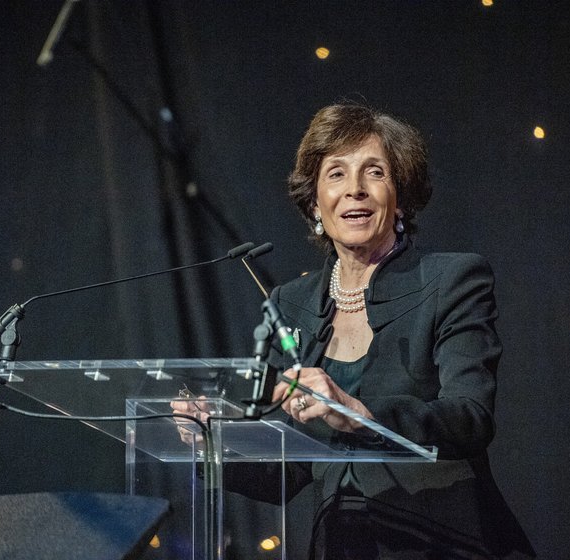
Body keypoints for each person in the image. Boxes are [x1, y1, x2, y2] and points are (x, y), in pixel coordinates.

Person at [175, 104, 535, 559]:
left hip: (444, 542)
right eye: (337, 174)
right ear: (314, 202)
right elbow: (290, 469)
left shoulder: (451, 280)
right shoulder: (291, 304)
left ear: (400, 196)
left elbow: (470, 418)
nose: (355, 191)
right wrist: (213, 441)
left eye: (375, 172)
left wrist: (360, 413)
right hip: (341, 542)